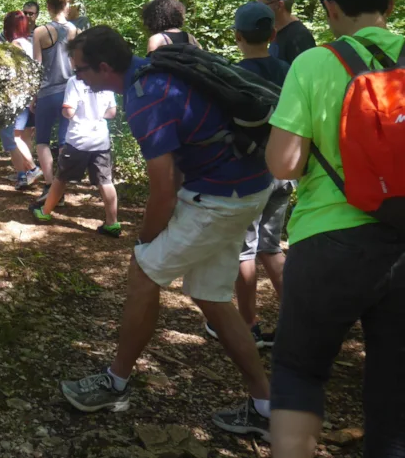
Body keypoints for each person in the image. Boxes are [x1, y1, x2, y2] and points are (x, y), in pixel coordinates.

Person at [60, 25, 274, 440]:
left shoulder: (146, 99)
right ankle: (265, 406)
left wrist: (143, 241)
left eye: (82, 70)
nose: (79, 78)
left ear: (105, 68)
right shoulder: (155, 71)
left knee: (143, 272)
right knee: (212, 297)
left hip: (219, 196)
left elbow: (164, 186)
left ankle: (115, 382)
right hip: (246, 185)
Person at [265, 0, 405, 458]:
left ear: (329, 9)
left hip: (329, 239)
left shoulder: (315, 63)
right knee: (395, 393)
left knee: (299, 370)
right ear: (390, 4)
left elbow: (283, 163)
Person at [203, 2, 290, 348]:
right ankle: (294, 322)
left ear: (236, 35)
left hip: (250, 175)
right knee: (272, 247)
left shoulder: (233, 75)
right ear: (272, 34)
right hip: (284, 169)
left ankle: (248, 323)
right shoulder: (289, 70)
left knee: (245, 251)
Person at [30, 60, 121, 238]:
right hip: (100, 139)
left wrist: (74, 114)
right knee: (105, 181)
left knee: (61, 178)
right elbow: (112, 113)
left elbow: (69, 112)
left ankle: (45, 212)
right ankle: (113, 223)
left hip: (78, 139)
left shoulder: (75, 81)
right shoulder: (106, 79)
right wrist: (96, 115)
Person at [32, 0, 78, 199]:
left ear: (48, 7)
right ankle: (61, 188)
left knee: (42, 140)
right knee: (63, 141)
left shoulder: (40, 32)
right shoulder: (74, 31)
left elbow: (37, 67)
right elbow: (77, 65)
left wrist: (32, 95)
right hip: (69, 92)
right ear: (66, 5)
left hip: (46, 93)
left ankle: (50, 186)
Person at [2, 10, 43, 190]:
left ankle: (32, 168)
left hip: (21, 97)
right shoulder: (30, 43)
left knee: (14, 137)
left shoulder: (15, 44)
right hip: (34, 95)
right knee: (26, 136)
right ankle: (25, 173)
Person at [256, 0, 317, 64]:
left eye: (261, 6)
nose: (257, 10)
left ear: (279, 5)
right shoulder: (276, 31)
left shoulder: (300, 37)